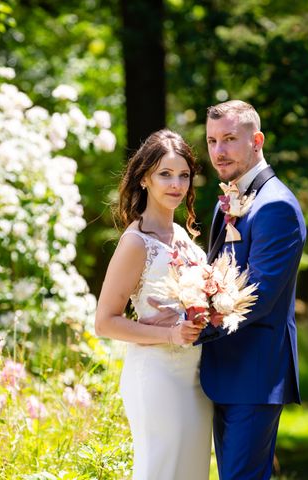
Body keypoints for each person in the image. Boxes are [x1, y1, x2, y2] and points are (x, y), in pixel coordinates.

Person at [196, 100, 306, 479]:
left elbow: (257, 296)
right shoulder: (227, 200)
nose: (218, 151)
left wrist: (194, 324)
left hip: (256, 373)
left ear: (256, 140)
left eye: (229, 139)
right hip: (224, 369)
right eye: (211, 141)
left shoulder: (277, 206)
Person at [94, 129, 213, 480]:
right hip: (158, 376)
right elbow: (105, 322)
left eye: (183, 176)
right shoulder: (136, 242)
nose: (176, 184)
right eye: (165, 174)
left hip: (194, 377)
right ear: (145, 178)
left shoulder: (183, 238)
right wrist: (173, 335)